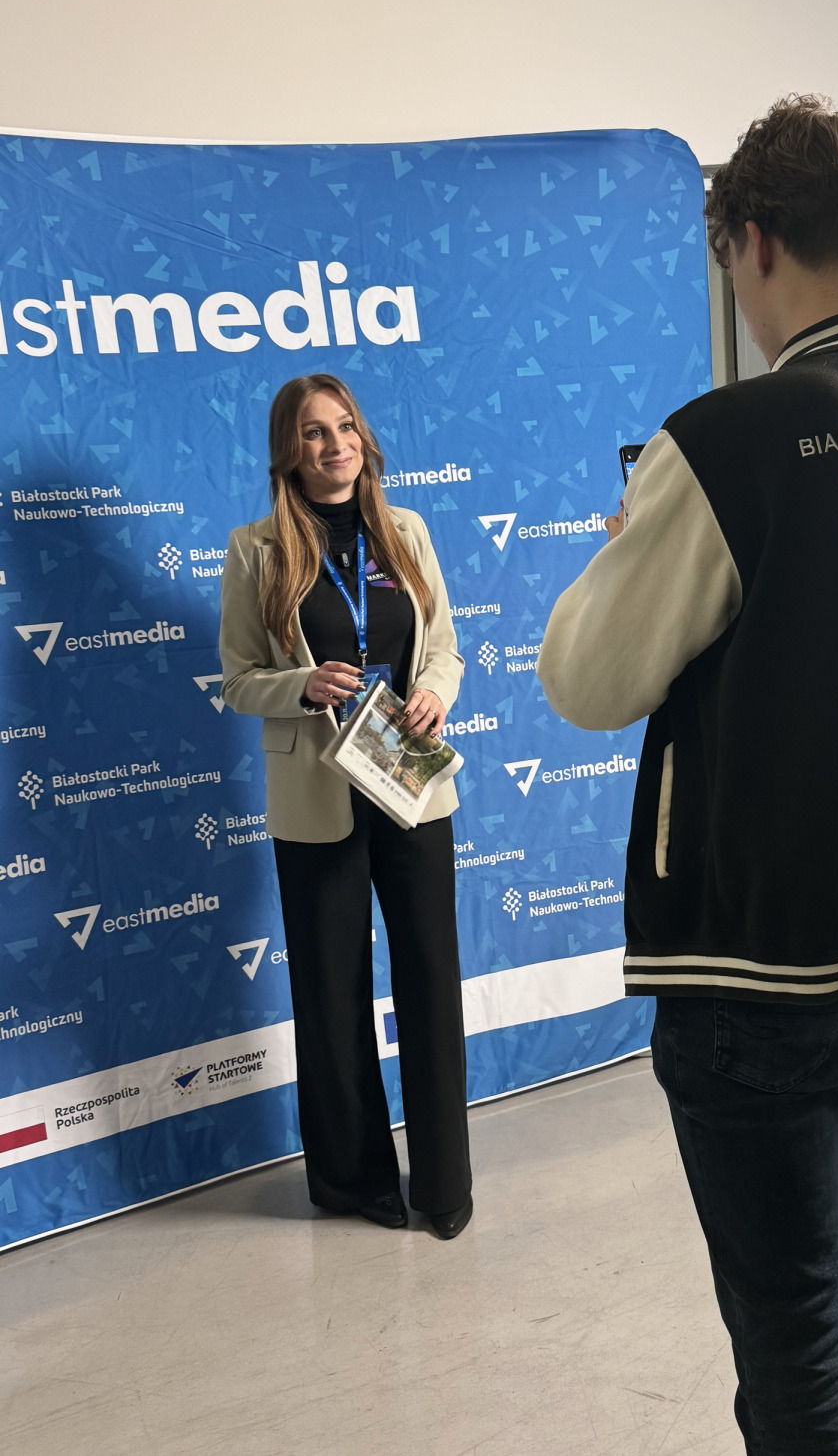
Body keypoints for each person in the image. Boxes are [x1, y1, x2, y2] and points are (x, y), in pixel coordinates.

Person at [537, 96, 838, 1454]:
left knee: (793, 1314)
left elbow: (584, 681)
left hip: (755, 964)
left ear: (750, 241)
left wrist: (628, 541)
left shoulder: (727, 443)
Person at [219, 372, 473, 1240]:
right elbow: (238, 681)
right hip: (315, 795)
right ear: (288, 452)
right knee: (330, 993)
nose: (334, 446)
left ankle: (444, 1182)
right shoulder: (255, 550)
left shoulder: (406, 532)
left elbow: (444, 649)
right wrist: (301, 684)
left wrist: (433, 691)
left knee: (431, 980)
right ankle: (349, 1179)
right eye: (313, 433)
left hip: (410, 783)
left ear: (363, 437)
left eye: (344, 427)